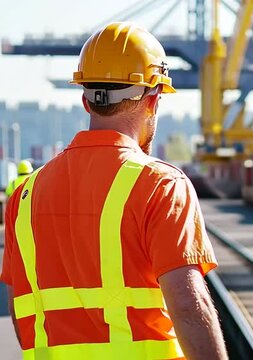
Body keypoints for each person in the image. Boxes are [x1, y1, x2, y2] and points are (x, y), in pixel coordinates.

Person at [0, 22, 228, 360]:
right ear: (154, 99)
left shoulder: (26, 194)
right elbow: (188, 306)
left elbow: (23, 317)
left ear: (85, 100)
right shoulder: (161, 185)